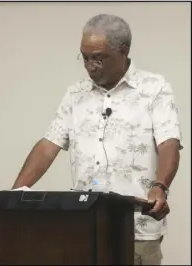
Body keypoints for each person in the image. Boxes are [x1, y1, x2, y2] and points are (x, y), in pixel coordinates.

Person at [12, 14, 182, 265]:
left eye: (98, 58)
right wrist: (14, 194)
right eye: (85, 57)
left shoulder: (154, 88)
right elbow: (49, 145)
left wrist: (161, 185)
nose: (90, 65)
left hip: (136, 228)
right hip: (84, 224)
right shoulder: (76, 93)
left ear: (122, 51)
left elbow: (169, 142)